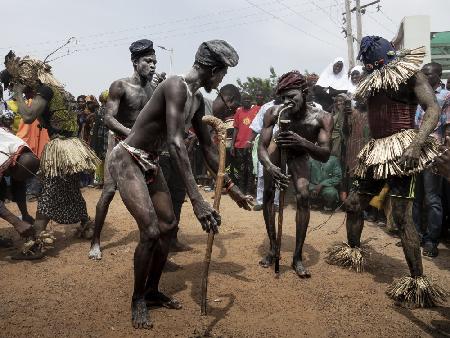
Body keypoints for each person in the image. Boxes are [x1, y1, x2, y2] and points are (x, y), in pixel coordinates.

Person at [105, 39, 252, 329]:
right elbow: (174, 142)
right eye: (222, 73)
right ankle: (137, 298)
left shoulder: (197, 101)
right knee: (149, 230)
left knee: (168, 227)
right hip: (128, 159)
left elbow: (209, 150)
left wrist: (232, 190)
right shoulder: (175, 86)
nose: (222, 79)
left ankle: (152, 291)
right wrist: (197, 200)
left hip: (150, 161)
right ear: (211, 69)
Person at [326, 36, 446, 307]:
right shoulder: (370, 81)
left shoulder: (411, 75)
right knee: (355, 204)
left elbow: (433, 109)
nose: (367, 66)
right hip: (375, 150)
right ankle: (353, 251)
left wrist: (417, 144)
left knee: (403, 217)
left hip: (404, 148)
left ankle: (417, 282)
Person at [5, 52, 100, 254]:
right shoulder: (59, 90)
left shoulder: (46, 90)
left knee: (48, 192)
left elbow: (28, 116)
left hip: (62, 147)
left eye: (25, 84)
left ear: (29, 79)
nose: (27, 91)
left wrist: (20, 94)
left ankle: (37, 243)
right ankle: (87, 226)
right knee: (72, 189)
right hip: (71, 146)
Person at [258, 70, 333, 277]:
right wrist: (271, 167)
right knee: (268, 190)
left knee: (303, 194)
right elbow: (262, 148)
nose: (288, 102)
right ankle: (273, 247)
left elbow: (325, 155)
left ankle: (297, 257)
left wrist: (302, 142)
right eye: (284, 98)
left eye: (292, 97)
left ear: (304, 92)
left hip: (301, 153)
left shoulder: (322, 118)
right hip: (278, 148)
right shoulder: (274, 112)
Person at [88, 39, 157, 260]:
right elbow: (108, 118)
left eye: (155, 61)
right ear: (136, 62)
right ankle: (95, 241)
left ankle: (150, 245)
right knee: (108, 192)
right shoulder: (120, 85)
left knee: (152, 197)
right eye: (148, 61)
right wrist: (131, 134)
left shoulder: (154, 90)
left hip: (145, 150)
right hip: (119, 145)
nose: (153, 65)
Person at [413, 62, 450, 258]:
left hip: (433, 152)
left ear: (438, 75)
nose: (425, 77)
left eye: (428, 74)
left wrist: (444, 151)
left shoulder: (446, 97)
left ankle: (431, 241)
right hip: (415, 150)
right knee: (416, 197)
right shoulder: (419, 94)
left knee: (432, 197)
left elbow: (448, 127)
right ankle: (416, 235)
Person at [0, 127, 39, 242]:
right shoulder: (3, 159)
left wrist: (25, 214)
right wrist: (17, 222)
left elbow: (19, 184)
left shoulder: (21, 150)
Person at [230, 93, 259, 194]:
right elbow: (236, 128)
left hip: (252, 145)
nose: (246, 101)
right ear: (242, 101)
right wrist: (232, 145)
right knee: (241, 169)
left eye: (248, 99)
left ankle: (249, 191)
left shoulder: (257, 109)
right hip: (239, 145)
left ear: (251, 101)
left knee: (251, 169)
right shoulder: (238, 111)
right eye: (245, 100)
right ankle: (241, 190)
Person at [90, 90, 109, 187]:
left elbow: (95, 126)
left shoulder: (99, 111)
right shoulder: (111, 110)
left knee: (100, 160)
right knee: (107, 159)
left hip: (99, 138)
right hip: (107, 137)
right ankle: (106, 181)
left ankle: (99, 181)